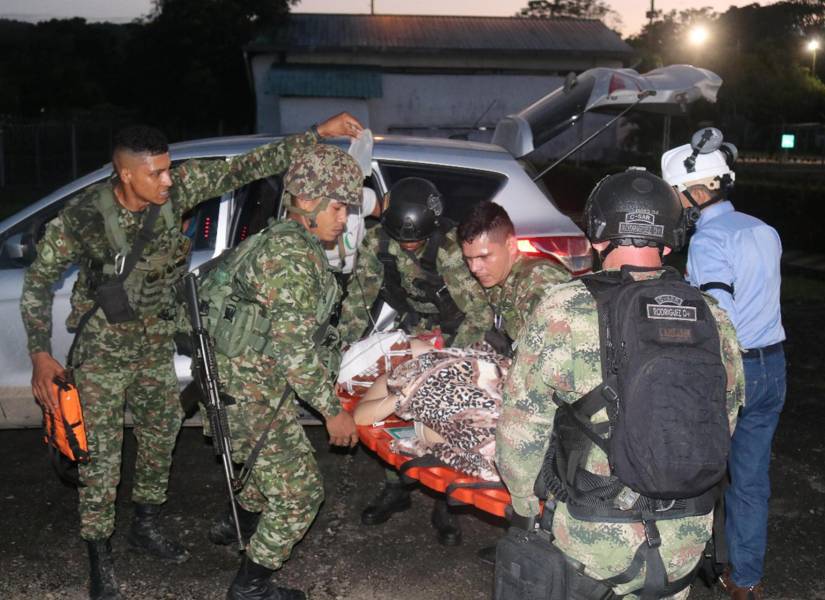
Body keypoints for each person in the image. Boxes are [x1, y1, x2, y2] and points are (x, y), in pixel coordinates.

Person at [20, 112, 363, 600]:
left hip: (157, 341)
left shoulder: (176, 190)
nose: (168, 180)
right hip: (103, 348)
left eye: (168, 169)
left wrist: (316, 135)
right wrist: (39, 354)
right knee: (101, 457)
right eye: (156, 173)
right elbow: (36, 281)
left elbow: (246, 167)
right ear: (126, 174)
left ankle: (146, 522)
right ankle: (99, 556)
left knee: (161, 440)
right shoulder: (82, 218)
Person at [496, 169, 745, 599]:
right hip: (684, 535)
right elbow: (727, 415)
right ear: (669, 241)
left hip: (595, 537)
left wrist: (523, 506)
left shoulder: (564, 309)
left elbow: (523, 426)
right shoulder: (711, 314)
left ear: (596, 236)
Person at [200, 144, 361, 600]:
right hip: (252, 393)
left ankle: (238, 528)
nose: (344, 218)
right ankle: (249, 587)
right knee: (301, 494)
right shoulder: (292, 260)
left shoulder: (279, 238)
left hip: (244, 383)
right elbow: (293, 352)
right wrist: (333, 412)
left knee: (262, 470)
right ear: (307, 201)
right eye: (337, 206)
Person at [662, 129, 786, 600]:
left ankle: (680, 564)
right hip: (773, 366)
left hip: (734, 371)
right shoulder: (763, 229)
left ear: (695, 192)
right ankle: (746, 579)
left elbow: (720, 316)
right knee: (751, 479)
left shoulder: (708, 241)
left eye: (677, 196)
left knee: (697, 471)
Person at [337, 177, 491, 537]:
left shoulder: (451, 250)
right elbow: (359, 301)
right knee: (391, 407)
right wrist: (345, 347)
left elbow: (480, 315)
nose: (407, 247)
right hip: (413, 329)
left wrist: (445, 362)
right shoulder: (377, 243)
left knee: (444, 415)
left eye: (415, 241)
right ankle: (395, 487)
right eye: (401, 240)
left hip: (459, 334)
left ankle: (445, 501)